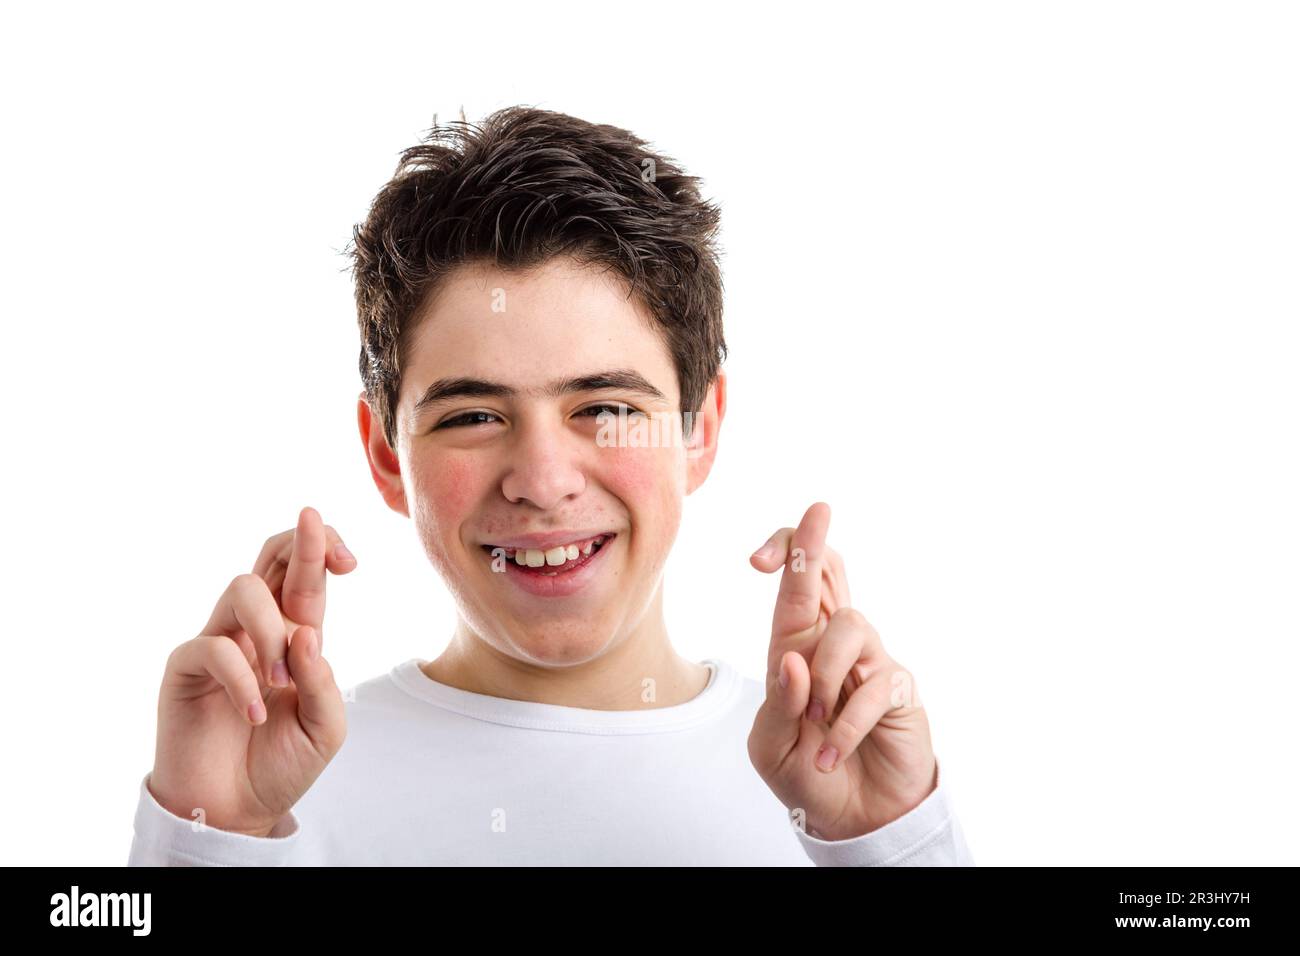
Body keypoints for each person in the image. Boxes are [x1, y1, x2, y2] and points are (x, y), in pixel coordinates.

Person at [128, 106, 974, 865]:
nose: (541, 482)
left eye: (603, 407)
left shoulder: (833, 788)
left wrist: (891, 842)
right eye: (472, 416)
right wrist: (213, 840)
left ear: (699, 429)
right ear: (387, 455)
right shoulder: (274, 790)